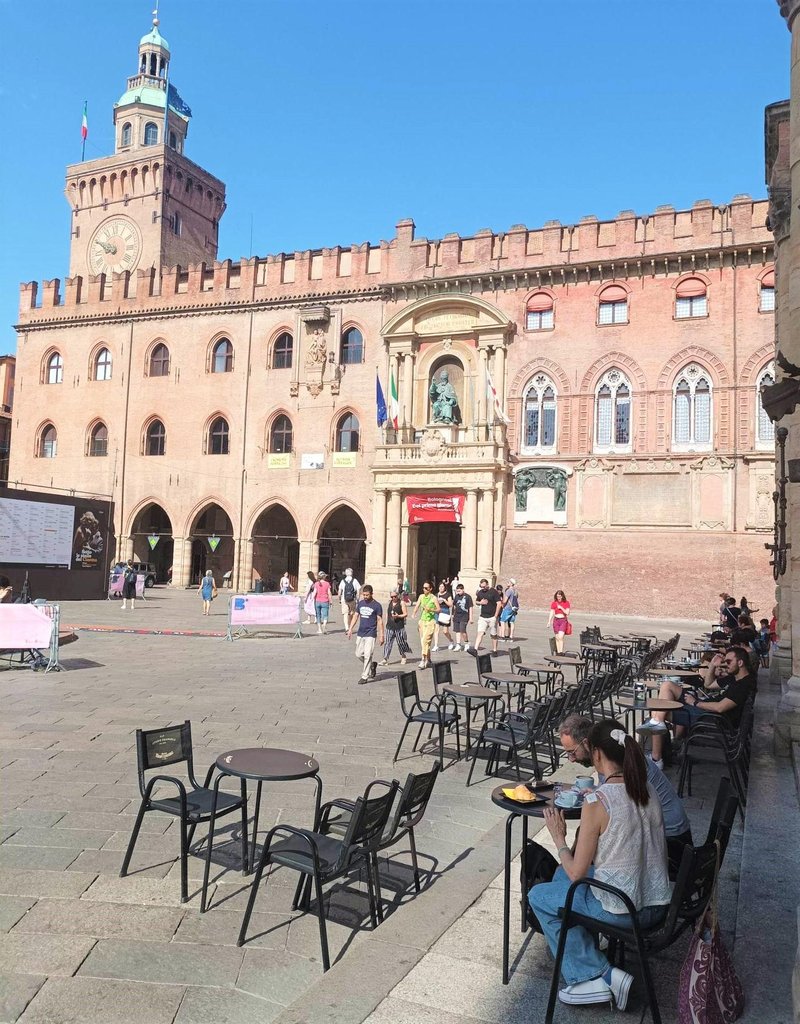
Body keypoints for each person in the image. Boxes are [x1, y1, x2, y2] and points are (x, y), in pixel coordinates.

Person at [529, 720, 672, 1009]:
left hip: (624, 909)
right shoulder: (647, 789)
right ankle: (586, 959)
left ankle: (597, 975)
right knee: (559, 877)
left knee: (539, 896)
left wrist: (559, 840)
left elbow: (577, 871)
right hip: (657, 903)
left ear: (595, 755)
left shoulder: (598, 801)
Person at [559, 715, 692, 845]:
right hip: (663, 833)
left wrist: (560, 841)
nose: (571, 759)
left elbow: (617, 812)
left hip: (671, 839)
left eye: (573, 752)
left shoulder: (616, 766)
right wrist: (596, 791)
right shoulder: (613, 757)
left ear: (587, 743)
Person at [648, 647, 756, 767]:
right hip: (706, 710)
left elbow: (720, 707)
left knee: (657, 713)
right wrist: (713, 666)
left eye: (729, 661)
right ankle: (664, 744)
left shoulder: (743, 685)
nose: (726, 665)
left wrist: (695, 703)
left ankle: (656, 758)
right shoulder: (734, 678)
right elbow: (708, 684)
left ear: (740, 663)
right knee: (667, 686)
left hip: (711, 718)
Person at [347, 585, 384, 684]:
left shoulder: (377, 605)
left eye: (367, 595)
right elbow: (355, 616)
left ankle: (364, 676)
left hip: (371, 633)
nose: (365, 597)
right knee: (358, 654)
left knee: (368, 654)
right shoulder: (361, 603)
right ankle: (372, 665)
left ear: (372, 594)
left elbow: (380, 620)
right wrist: (350, 629)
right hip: (361, 632)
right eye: (364, 595)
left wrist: (381, 635)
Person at [380, 589, 412, 665]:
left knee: (401, 642)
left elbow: (405, 614)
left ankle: (403, 656)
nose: (393, 598)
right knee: (387, 643)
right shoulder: (390, 602)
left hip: (399, 626)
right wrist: (386, 623)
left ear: (398, 596)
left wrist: (398, 616)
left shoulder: (401, 603)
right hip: (390, 626)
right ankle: (385, 659)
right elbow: (388, 614)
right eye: (392, 597)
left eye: (395, 596)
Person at [412, 581, 438, 669]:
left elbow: (439, 610)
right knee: (425, 642)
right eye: (423, 588)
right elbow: (417, 605)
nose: (424, 589)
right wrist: (414, 613)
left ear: (430, 589)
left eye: (426, 588)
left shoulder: (433, 598)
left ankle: (423, 659)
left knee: (424, 641)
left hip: (430, 622)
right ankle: (429, 659)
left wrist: (431, 609)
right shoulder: (421, 596)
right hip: (422, 621)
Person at [474, 578, 499, 653]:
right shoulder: (480, 592)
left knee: (493, 635)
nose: (483, 588)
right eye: (481, 587)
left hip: (492, 617)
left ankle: (494, 650)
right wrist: (480, 603)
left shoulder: (493, 592)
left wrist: (495, 616)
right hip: (483, 617)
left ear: (487, 584)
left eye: (484, 587)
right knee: (480, 633)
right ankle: (475, 649)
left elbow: (499, 603)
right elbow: (476, 601)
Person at [432, 582, 454, 652]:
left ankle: (451, 640)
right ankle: (436, 645)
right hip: (438, 612)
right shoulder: (436, 595)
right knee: (436, 629)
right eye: (440, 587)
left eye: (442, 586)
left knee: (445, 631)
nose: (441, 588)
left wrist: (444, 600)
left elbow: (450, 605)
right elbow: (433, 603)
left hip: (445, 612)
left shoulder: (448, 595)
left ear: (445, 587)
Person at [451, 583, 474, 651]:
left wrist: (471, 618)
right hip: (457, 615)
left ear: (463, 590)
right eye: (457, 591)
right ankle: (458, 644)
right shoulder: (456, 596)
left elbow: (470, 607)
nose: (458, 592)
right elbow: (454, 605)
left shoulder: (468, 597)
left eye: (459, 591)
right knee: (457, 630)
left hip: (464, 615)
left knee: (462, 630)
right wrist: (452, 614)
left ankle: (466, 643)